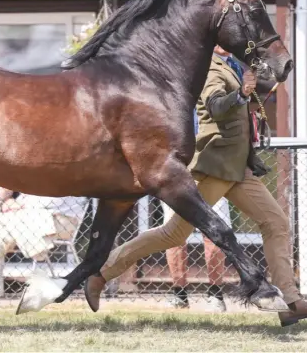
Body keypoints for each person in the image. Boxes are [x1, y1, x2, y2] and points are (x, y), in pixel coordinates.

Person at [85, 45, 307, 327]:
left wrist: (257, 85)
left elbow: (244, 105)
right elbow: (214, 106)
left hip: (238, 170)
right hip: (213, 168)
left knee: (276, 223)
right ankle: (99, 274)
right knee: (173, 235)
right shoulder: (209, 68)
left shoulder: (233, 65)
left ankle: (289, 302)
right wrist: (241, 94)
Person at [163, 109, 230, 312]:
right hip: (177, 172)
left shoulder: (214, 92)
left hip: (211, 170)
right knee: (173, 234)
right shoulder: (171, 96)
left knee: (216, 231)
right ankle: (179, 293)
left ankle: (216, 293)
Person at [0, 190, 87, 272]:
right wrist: (11, 202)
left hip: (63, 220)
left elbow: (48, 202)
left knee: (2, 230)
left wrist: (18, 205)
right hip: (30, 215)